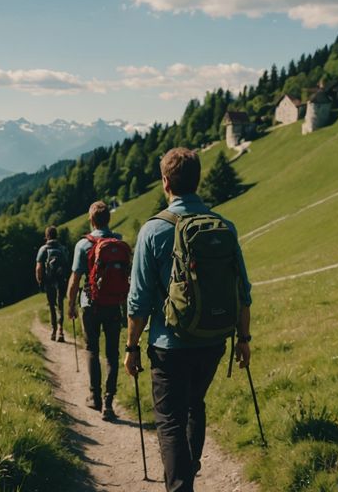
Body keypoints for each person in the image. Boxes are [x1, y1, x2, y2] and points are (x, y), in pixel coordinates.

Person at [124, 147, 253, 492]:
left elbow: (138, 300)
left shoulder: (152, 231)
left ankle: (181, 485)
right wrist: (244, 339)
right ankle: (189, 471)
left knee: (169, 421)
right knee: (195, 404)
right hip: (213, 340)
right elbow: (242, 289)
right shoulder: (223, 226)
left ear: (165, 182)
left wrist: (131, 346)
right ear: (198, 180)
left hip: (169, 345)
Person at [67, 201, 129, 421]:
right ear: (108, 219)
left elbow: (75, 279)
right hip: (114, 304)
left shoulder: (83, 245)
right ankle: (109, 403)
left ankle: (95, 397)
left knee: (92, 349)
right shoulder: (119, 241)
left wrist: (71, 304)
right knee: (112, 354)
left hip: (91, 304)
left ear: (91, 219)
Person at [35, 225, 69, 342]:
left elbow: (39, 268)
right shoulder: (62, 249)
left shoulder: (43, 249)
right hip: (61, 280)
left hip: (49, 281)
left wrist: (40, 280)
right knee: (60, 304)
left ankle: (53, 331)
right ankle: (60, 330)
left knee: (52, 306)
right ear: (56, 235)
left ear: (47, 236)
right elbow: (67, 264)